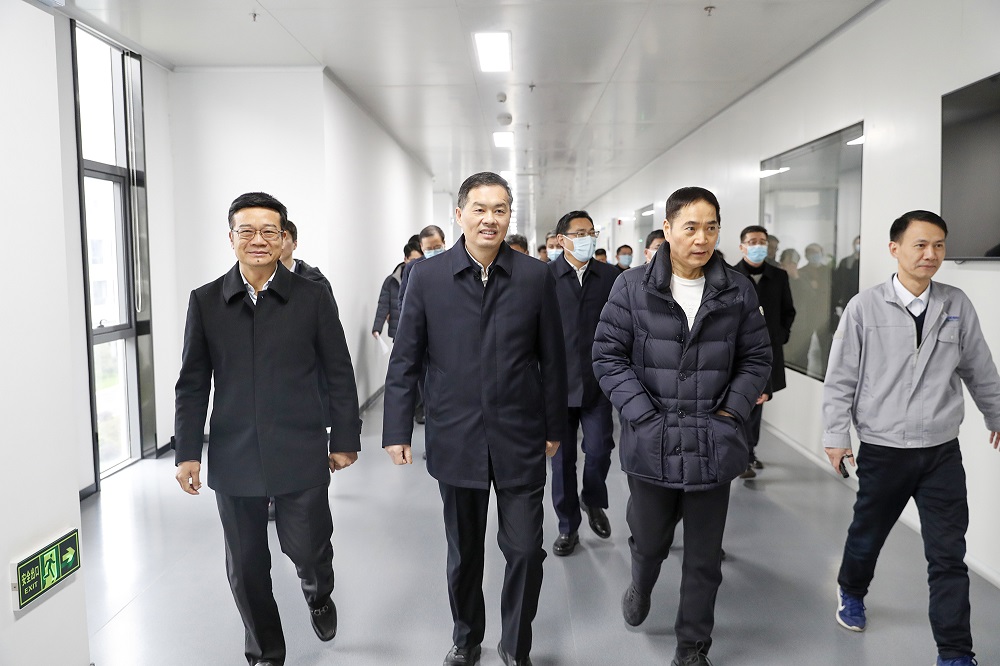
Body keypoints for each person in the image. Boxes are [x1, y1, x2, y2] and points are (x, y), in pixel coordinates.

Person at [383, 172, 567, 666]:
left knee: (525, 550)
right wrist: (397, 429)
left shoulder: (535, 276)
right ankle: (466, 639)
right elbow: (405, 358)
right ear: (459, 214)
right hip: (456, 434)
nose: (490, 219)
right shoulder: (427, 277)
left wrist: (554, 427)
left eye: (500, 209)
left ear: (509, 216)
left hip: (520, 434)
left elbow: (553, 359)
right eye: (480, 209)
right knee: (464, 552)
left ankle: (515, 645)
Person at [174, 192, 362, 666]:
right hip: (234, 453)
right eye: (247, 231)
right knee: (246, 565)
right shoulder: (206, 301)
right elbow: (192, 382)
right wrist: (188, 452)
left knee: (310, 548)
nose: (258, 240)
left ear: (283, 238)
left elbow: (339, 371)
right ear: (231, 237)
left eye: (268, 231)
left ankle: (318, 593)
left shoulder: (312, 297)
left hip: (299, 446)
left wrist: (344, 438)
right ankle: (265, 653)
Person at [593, 186, 771, 666]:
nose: (701, 238)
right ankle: (641, 583)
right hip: (652, 441)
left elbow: (757, 358)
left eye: (711, 228)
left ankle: (692, 646)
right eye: (690, 227)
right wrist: (643, 416)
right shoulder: (631, 287)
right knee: (650, 540)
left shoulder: (737, 290)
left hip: (714, 442)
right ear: (668, 229)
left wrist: (731, 414)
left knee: (704, 558)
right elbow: (607, 357)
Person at [823, 210, 1000, 666]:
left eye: (938, 245)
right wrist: (836, 435)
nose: (930, 254)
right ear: (895, 249)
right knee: (867, 536)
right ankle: (851, 590)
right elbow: (840, 378)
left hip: (941, 451)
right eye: (920, 244)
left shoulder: (956, 304)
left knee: (948, 555)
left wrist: (996, 415)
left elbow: (979, 368)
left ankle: (956, 653)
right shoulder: (865, 307)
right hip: (884, 449)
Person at [547, 210, 619, 557]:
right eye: (579, 233)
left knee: (600, 449)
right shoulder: (544, 278)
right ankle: (568, 526)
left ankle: (592, 499)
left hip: (597, 383)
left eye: (591, 232)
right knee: (561, 462)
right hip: (557, 386)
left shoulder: (611, 277)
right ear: (561, 240)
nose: (587, 238)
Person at [731, 225, 796, 478]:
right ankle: (743, 455)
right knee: (742, 401)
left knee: (759, 401)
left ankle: (749, 452)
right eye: (752, 241)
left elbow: (788, 311)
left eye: (762, 241)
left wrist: (780, 336)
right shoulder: (730, 275)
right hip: (738, 352)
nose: (758, 246)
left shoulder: (778, 276)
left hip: (768, 351)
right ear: (742, 246)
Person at [372, 241, 423, 340]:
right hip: (399, 332)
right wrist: (377, 328)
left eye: (419, 260)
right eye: (413, 260)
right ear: (406, 259)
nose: (415, 264)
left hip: (420, 332)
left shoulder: (427, 279)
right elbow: (383, 305)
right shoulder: (392, 280)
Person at [399, 224, 447, 309]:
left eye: (437, 247)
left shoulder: (454, 263)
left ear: (444, 243)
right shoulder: (413, 267)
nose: (433, 251)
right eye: (429, 249)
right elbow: (404, 300)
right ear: (421, 246)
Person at [279, 219, 333, 294]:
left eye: (284, 238)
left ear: (295, 244)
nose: (279, 244)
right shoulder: (264, 278)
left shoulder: (315, 280)